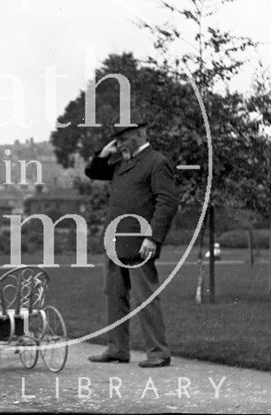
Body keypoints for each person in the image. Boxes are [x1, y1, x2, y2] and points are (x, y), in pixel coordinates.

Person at [84, 121, 178, 368]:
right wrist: (105, 152)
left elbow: (166, 203)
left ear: (139, 135)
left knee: (145, 297)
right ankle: (117, 349)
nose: (119, 145)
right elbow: (92, 172)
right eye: (117, 140)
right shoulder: (120, 164)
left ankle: (158, 352)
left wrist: (153, 237)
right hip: (115, 242)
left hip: (140, 243)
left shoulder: (157, 162)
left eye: (123, 139)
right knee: (114, 296)